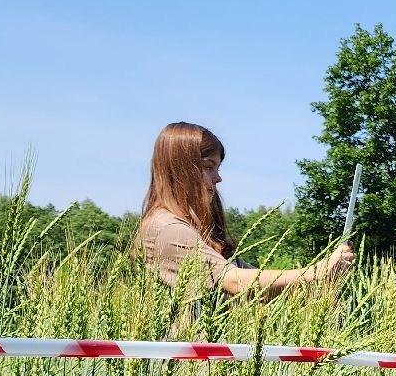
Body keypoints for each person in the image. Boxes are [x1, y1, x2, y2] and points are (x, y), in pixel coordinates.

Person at [133, 122, 353, 298]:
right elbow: (234, 281)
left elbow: (254, 283)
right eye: (208, 167)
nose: (218, 178)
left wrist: (326, 277)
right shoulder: (167, 228)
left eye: (217, 168)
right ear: (181, 170)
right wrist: (317, 272)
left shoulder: (192, 230)